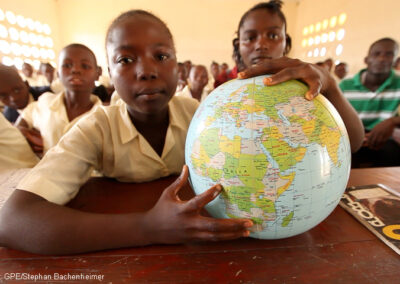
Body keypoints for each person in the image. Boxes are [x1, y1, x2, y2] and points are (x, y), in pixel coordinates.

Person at [0, 10, 253, 255]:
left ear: (178, 66)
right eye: (125, 60)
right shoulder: (96, 128)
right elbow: (13, 221)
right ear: (109, 74)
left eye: (162, 56)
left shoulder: (199, 115)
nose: (147, 71)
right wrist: (149, 227)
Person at [234, 0, 364, 153]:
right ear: (238, 45)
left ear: (286, 42)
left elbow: (354, 143)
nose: (261, 44)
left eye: (273, 35)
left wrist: (330, 85)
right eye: (250, 38)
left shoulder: (307, 83)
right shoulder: (225, 94)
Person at [15, 43, 103, 155]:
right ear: (58, 74)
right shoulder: (45, 102)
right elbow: (23, 120)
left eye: (85, 66)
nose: (75, 70)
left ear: (97, 74)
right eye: (67, 65)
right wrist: (23, 132)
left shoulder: (103, 117)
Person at [340, 38, 400, 167]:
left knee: (392, 153)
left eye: (389, 54)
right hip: (351, 137)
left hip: (384, 140)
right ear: (367, 60)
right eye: (376, 54)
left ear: (396, 61)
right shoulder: (345, 85)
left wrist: (392, 121)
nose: (382, 59)